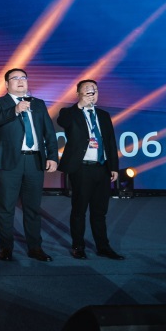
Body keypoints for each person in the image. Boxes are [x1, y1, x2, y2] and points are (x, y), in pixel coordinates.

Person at [0, 68, 59, 262]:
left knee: (33, 207)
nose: (20, 81)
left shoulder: (38, 104)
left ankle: (35, 248)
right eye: (15, 78)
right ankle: (6, 248)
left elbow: (49, 132)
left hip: (34, 161)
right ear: (6, 84)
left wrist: (52, 156)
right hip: (10, 162)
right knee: (6, 207)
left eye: (23, 78)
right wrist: (15, 110)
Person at [56, 79, 124, 260]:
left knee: (100, 211)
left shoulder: (103, 115)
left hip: (102, 168)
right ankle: (78, 246)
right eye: (87, 89)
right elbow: (63, 122)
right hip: (82, 169)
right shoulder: (70, 112)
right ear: (78, 93)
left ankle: (103, 246)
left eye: (94, 89)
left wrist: (114, 167)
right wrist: (80, 105)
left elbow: (110, 142)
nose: (91, 92)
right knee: (79, 210)